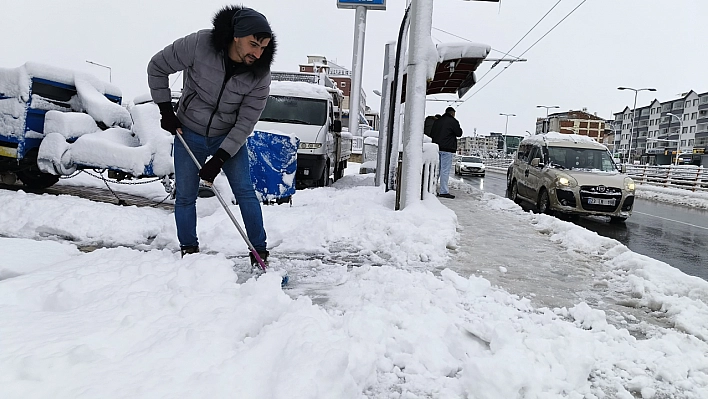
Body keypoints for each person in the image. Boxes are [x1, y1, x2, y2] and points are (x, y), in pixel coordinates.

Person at [147, 5, 276, 268]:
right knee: (185, 195)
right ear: (236, 36)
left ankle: (259, 251)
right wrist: (165, 110)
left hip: (228, 137)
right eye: (253, 44)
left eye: (263, 47)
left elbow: (246, 122)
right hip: (188, 131)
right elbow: (157, 66)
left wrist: (219, 158)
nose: (257, 53)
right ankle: (189, 251)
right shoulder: (199, 44)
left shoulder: (259, 75)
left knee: (245, 192)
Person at [430, 107, 463, 199]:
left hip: (436, 148)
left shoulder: (437, 121)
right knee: (445, 170)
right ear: (452, 113)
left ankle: (431, 189)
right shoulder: (453, 121)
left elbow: (432, 133)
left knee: (436, 170)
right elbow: (459, 133)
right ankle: (444, 191)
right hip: (447, 149)